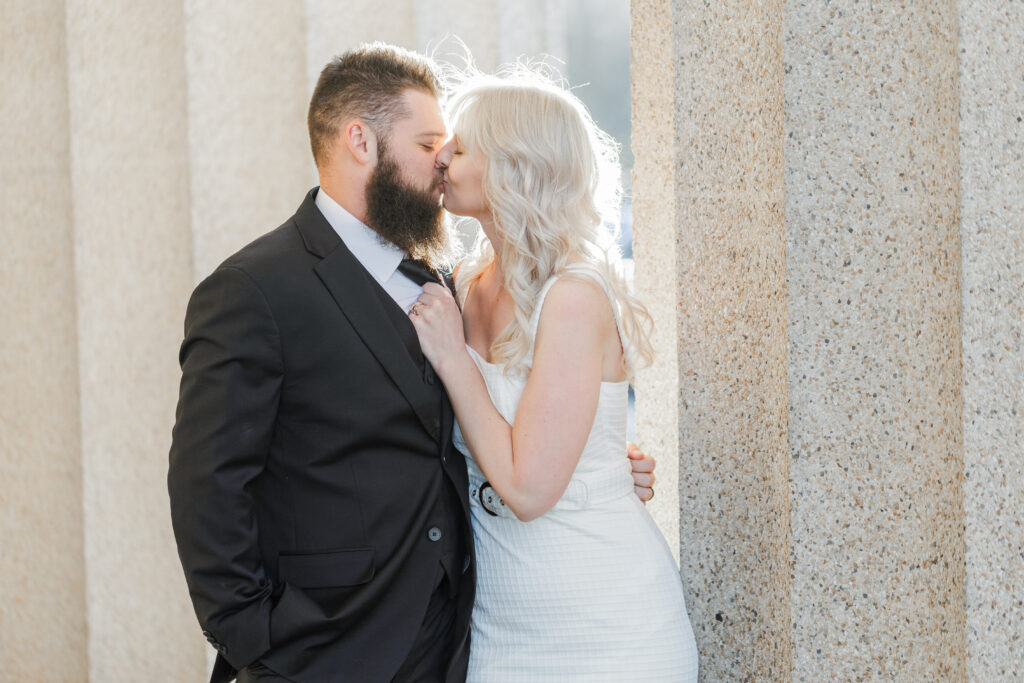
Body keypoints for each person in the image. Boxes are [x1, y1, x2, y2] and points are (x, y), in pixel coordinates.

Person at [167, 43, 656, 683]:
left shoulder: (442, 282)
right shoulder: (255, 290)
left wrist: (598, 461)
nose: (443, 161)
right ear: (361, 142)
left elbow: (494, 431)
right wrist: (253, 636)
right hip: (325, 649)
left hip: (471, 638)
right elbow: (208, 483)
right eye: (429, 144)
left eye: (452, 146)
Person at [408, 68, 698, 681]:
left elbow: (531, 489)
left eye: (460, 148)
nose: (441, 158)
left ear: (514, 165)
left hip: (607, 625)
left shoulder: (572, 297)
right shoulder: (461, 284)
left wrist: (455, 360)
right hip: (497, 624)